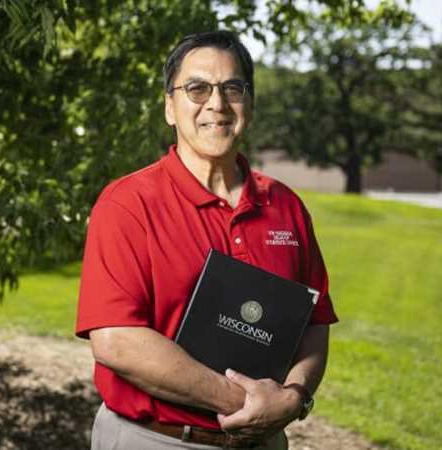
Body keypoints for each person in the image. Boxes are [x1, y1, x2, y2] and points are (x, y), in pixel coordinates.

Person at [75, 30, 338, 450]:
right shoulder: (127, 204)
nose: (216, 103)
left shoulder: (286, 207)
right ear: (169, 107)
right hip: (156, 440)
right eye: (197, 88)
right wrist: (251, 404)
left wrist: (294, 397)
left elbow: (314, 324)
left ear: (249, 104)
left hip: (265, 441)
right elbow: (116, 341)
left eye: (233, 88)